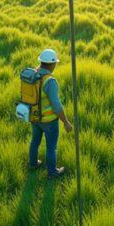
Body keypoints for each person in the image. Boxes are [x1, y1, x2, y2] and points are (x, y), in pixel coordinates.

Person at [29, 49, 73, 179]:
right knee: (51, 148)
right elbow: (57, 105)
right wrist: (65, 122)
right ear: (51, 64)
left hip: (34, 117)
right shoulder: (50, 81)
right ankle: (52, 172)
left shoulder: (32, 75)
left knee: (34, 141)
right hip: (49, 121)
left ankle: (33, 164)